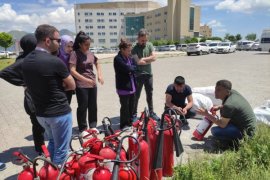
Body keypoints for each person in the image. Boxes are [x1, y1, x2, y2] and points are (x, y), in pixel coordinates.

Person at [22, 24, 75, 165]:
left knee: (52, 142)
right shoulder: (55, 61)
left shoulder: (25, 62)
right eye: (58, 40)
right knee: (61, 151)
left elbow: (27, 84)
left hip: (41, 115)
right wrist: (57, 85)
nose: (59, 43)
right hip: (59, 114)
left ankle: (48, 170)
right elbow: (72, 85)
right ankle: (57, 173)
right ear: (47, 41)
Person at [0, 34, 45, 154]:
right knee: (37, 124)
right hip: (32, 98)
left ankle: (42, 147)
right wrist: (24, 83)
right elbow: (4, 73)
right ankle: (40, 148)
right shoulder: (24, 60)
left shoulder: (28, 57)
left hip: (40, 96)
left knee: (42, 124)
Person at [196, 80, 256, 146]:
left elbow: (222, 124)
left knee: (215, 131)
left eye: (219, 90)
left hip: (246, 133)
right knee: (221, 121)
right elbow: (232, 106)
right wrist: (220, 106)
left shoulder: (229, 105)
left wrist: (206, 114)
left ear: (227, 92)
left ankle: (235, 143)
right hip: (249, 126)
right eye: (216, 89)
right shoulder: (232, 93)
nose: (215, 92)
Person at [69, 31, 104, 135]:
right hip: (81, 85)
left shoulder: (90, 53)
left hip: (92, 84)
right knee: (83, 106)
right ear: (80, 44)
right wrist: (85, 80)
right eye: (86, 45)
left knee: (93, 106)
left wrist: (100, 75)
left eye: (89, 44)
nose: (88, 46)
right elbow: (72, 70)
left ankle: (93, 126)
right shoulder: (75, 54)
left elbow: (97, 63)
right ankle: (83, 128)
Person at [132, 28, 158, 120]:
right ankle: (134, 114)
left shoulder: (150, 45)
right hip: (138, 75)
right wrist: (148, 59)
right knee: (136, 95)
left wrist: (143, 59)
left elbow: (154, 58)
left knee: (149, 94)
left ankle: (151, 112)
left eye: (146, 40)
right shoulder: (134, 48)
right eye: (143, 40)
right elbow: (138, 62)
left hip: (149, 74)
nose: (145, 42)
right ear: (138, 38)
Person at [114, 38, 137, 129]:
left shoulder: (130, 57)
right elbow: (128, 69)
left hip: (132, 86)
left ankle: (130, 122)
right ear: (122, 50)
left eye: (130, 50)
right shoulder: (118, 59)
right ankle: (123, 124)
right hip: (123, 87)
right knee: (125, 107)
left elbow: (135, 66)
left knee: (131, 106)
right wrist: (130, 69)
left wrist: (131, 69)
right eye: (128, 51)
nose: (130, 52)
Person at [58, 35, 74, 104]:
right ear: (62, 45)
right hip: (59, 86)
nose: (70, 49)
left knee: (67, 104)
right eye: (68, 46)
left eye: (71, 46)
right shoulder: (56, 56)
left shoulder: (71, 56)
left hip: (69, 86)